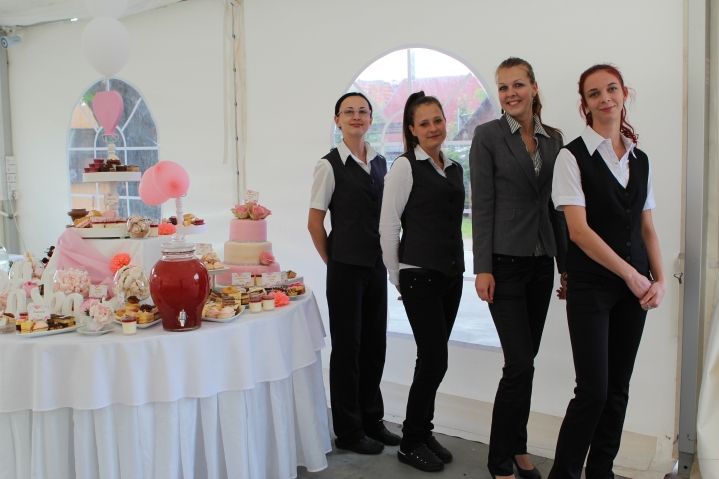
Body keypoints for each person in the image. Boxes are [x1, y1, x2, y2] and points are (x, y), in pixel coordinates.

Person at [547, 64, 665, 479]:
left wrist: (659, 280)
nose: (605, 98)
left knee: (617, 390)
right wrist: (632, 275)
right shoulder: (571, 157)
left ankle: (601, 472)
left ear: (624, 94)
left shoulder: (641, 160)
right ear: (585, 104)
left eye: (611, 89)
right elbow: (578, 232)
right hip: (591, 287)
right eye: (594, 93)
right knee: (592, 392)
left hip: (635, 290)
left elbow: (647, 227)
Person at [470, 57, 566, 479]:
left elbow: (557, 207)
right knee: (519, 364)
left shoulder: (554, 139)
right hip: (504, 264)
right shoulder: (487, 136)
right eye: (503, 87)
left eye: (518, 85)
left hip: (542, 262)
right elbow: (481, 205)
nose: (510, 93)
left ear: (534, 87)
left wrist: (565, 265)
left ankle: (519, 447)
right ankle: (499, 461)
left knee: (526, 362)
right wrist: (482, 267)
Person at [308, 92, 400, 455]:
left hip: (375, 266)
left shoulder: (380, 162)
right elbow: (314, 223)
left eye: (363, 111)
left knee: (375, 345)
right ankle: (348, 430)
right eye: (349, 112)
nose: (356, 116)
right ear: (337, 120)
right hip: (345, 268)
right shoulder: (328, 166)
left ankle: (372, 420)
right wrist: (333, 261)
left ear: (370, 119)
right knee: (348, 349)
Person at [379, 91, 465, 472]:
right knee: (433, 359)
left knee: (434, 359)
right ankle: (410, 441)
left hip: (451, 275)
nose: (433, 128)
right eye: (424, 123)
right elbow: (387, 225)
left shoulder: (454, 167)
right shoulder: (404, 167)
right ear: (412, 129)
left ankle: (422, 430)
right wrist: (396, 275)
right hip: (418, 275)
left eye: (438, 120)